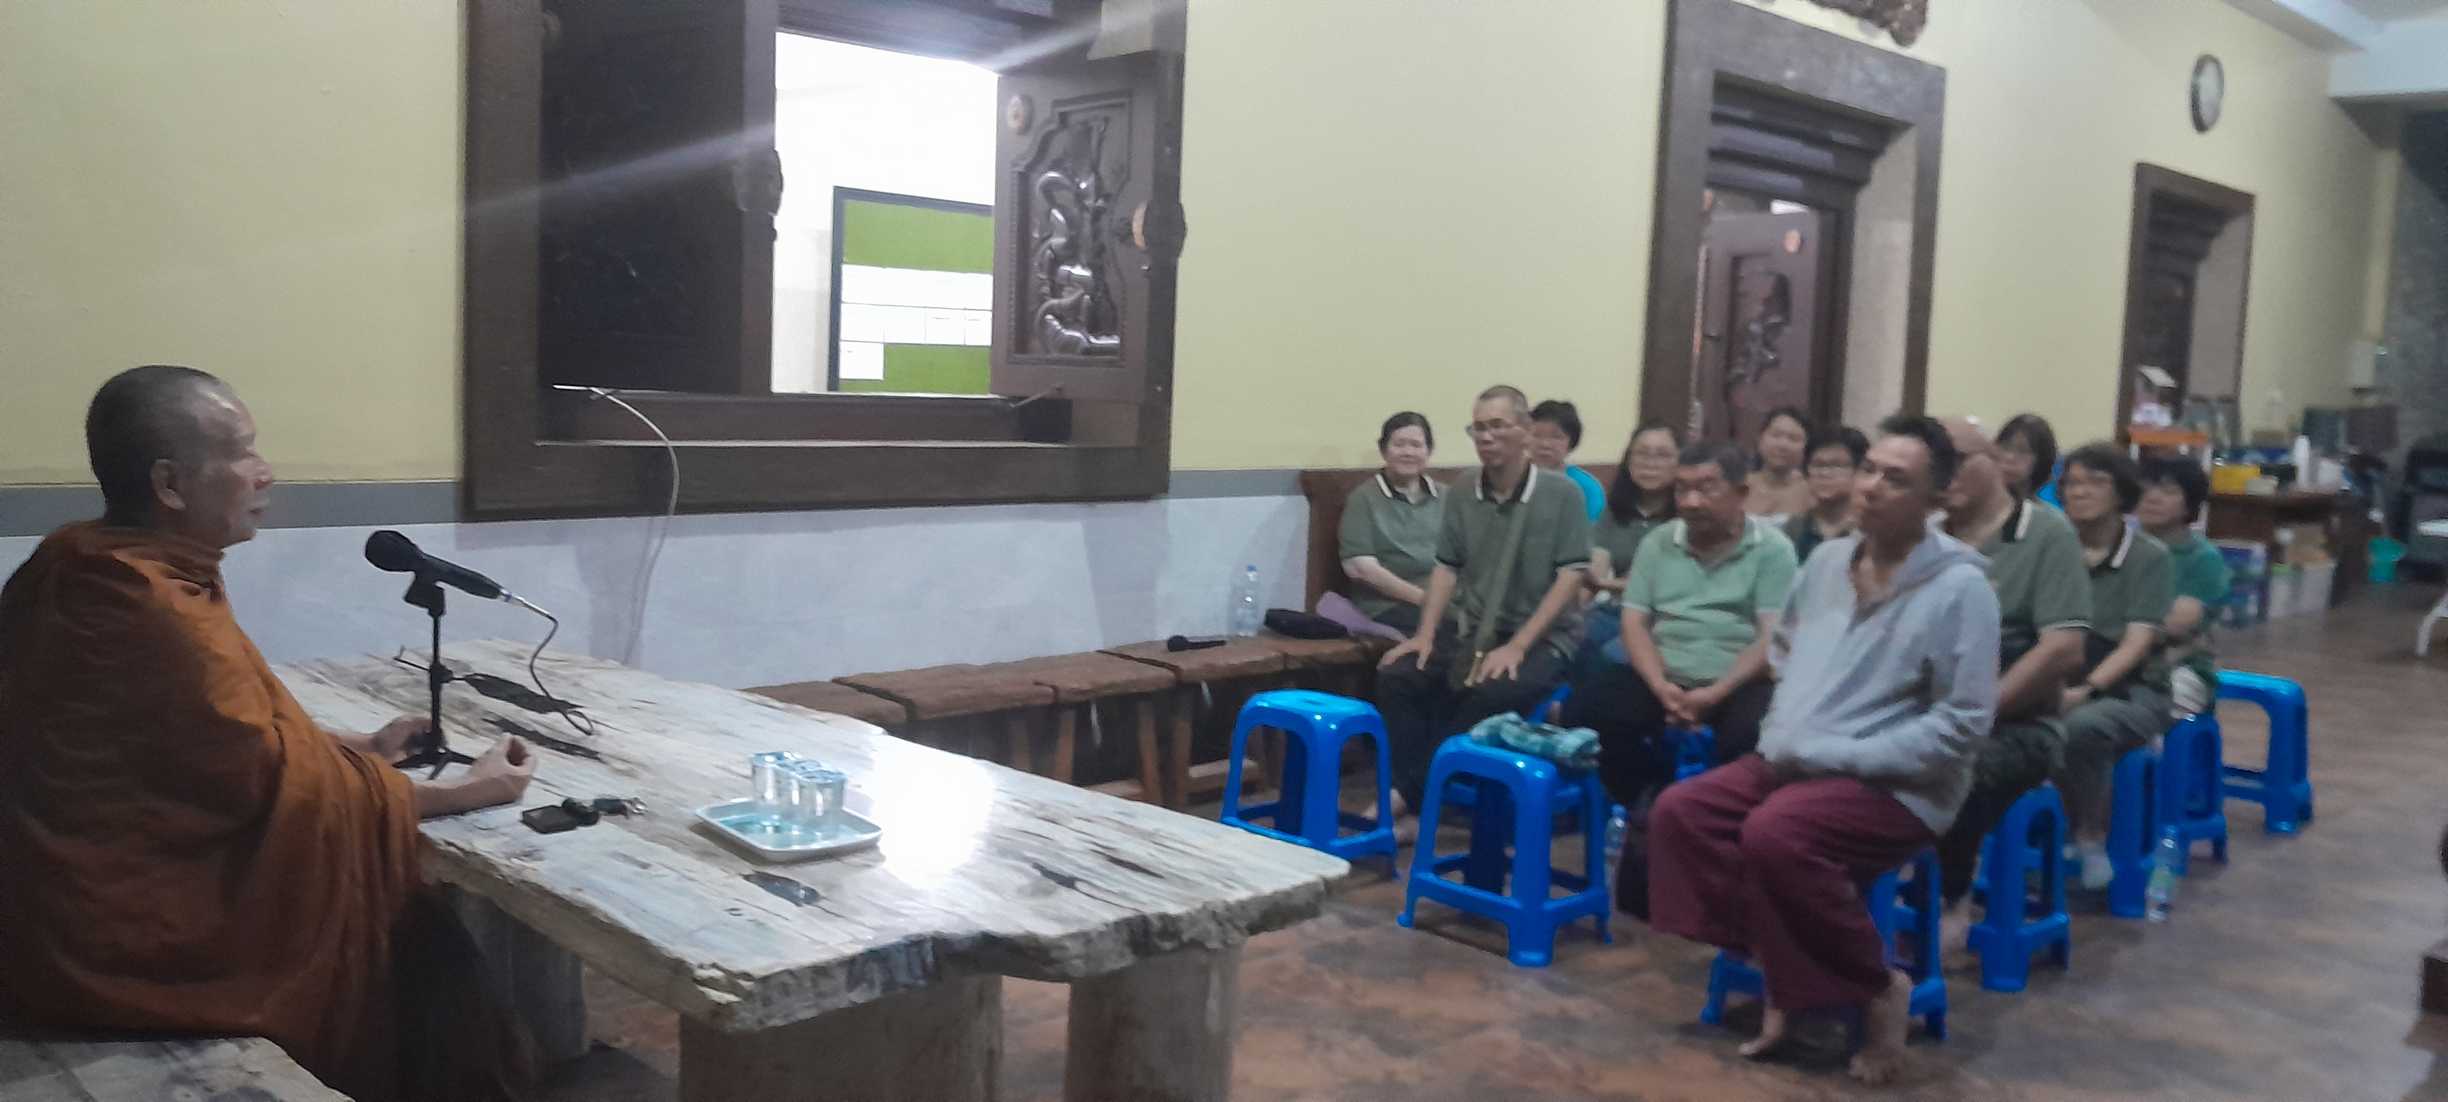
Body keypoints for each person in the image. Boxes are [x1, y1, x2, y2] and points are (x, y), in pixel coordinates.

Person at [0, 366, 541, 1102]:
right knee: (423, 946)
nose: (265, 472)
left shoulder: (78, 560)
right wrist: (471, 790)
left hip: (49, 909)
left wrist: (359, 749)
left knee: (429, 937)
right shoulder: (145, 604)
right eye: (241, 452)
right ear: (169, 484)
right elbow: (269, 791)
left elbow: (204, 753)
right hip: (120, 939)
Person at [1646, 414, 1998, 1086]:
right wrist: (1794, 729)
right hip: (1799, 758)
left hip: (1901, 782)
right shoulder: (1829, 562)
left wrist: (1845, 752)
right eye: (1869, 469)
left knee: (1776, 833)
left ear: (1935, 498)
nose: (1871, 487)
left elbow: (1963, 725)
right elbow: (1785, 650)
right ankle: (1788, 975)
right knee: (1682, 814)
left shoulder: (1961, 589)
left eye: (1896, 479)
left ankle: (1878, 987)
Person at [1561, 440, 1797, 917]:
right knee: (1589, 711)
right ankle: (1647, 799)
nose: (1691, 501)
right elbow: (1634, 622)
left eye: (1706, 489)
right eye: (1683, 489)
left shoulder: (1773, 550)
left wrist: (1714, 693)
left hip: (1738, 679)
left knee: (1754, 739)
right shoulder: (1660, 542)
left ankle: (1721, 847)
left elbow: (1770, 637)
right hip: (1664, 675)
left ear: (1741, 492)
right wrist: (1660, 686)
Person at [1377, 386, 1593, 815]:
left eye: (1497, 426)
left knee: (1491, 692)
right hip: (1474, 628)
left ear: (1525, 429)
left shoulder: (1562, 494)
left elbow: (1571, 575)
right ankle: (1420, 798)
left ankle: (1408, 801)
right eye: (1478, 428)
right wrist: (1424, 635)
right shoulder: (1463, 489)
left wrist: (1518, 646)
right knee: (1399, 675)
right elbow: (1446, 566)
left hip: (1543, 636)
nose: (1486, 437)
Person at [1930, 417, 2091, 916]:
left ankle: (1950, 898)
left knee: (1947, 766)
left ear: (1994, 461)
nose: (1945, 474)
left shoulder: (2046, 533)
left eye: (1957, 461)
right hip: (1922, 709)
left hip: (2017, 723)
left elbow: (2063, 648)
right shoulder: (1924, 533)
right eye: (1934, 464)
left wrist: (1973, 711)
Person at [2050, 443, 2175, 890]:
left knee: (2083, 726)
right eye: (2072, 483)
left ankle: (2089, 836)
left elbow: (2136, 644)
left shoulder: (2149, 557)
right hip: (2062, 673)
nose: (2079, 492)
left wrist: (2085, 691)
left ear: (2121, 492)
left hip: (2135, 688)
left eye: (2095, 482)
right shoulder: (2054, 547)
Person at [2137, 457, 2233, 715]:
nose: (2152, 498)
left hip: (2180, 668)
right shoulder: (2121, 548)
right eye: (2144, 489)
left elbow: (2174, 626)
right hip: (2120, 660)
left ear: (2189, 503)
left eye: (2168, 491)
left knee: (2137, 712)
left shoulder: (2202, 558)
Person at [1578, 421, 1680, 664]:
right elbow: (1596, 566)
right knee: (1572, 637)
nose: (1650, 463)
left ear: (1680, 462)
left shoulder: (1688, 515)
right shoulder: (1614, 510)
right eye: (1642, 453)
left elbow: (1656, 585)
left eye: (1662, 455)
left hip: (1666, 617)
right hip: (1617, 610)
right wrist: (1573, 613)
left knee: (1614, 656)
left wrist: (1603, 584)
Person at [1338, 411, 1444, 634]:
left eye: (1416, 445)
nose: (1408, 452)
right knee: (1452, 629)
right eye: (1399, 444)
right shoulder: (1363, 499)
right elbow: (1360, 569)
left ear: (1429, 450)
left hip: (1445, 600)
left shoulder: (1448, 497)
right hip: (1388, 606)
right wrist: (1426, 600)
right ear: (1383, 450)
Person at [1784, 425, 1868, 562]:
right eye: (1818, 465)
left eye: (1836, 465)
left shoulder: (1868, 531)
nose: (1825, 473)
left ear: (1859, 470)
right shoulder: (1792, 528)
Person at [1530, 399, 1608, 522]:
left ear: (1571, 443)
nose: (1545, 444)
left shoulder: (1587, 487)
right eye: (1536, 435)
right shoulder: (1514, 479)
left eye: (1556, 437)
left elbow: (1592, 530)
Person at [1745, 406, 1815, 525]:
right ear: (1759, 439)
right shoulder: (1738, 485)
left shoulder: (1812, 493)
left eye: (1793, 439)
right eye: (1776, 435)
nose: (1783, 445)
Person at [1997, 413, 2062, 509]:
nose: (2009, 457)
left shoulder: (2046, 516)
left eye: (2022, 450)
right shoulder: (1977, 503)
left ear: (2040, 461)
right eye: (2005, 447)